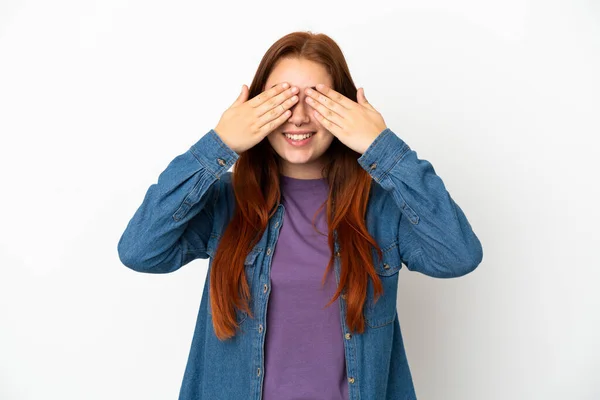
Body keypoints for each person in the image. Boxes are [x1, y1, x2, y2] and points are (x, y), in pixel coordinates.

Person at [117, 31, 483, 400]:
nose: (299, 118)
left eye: (318, 101)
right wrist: (219, 144)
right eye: (282, 99)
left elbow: (458, 256)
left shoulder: (382, 206)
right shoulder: (225, 201)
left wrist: (382, 147)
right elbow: (139, 250)